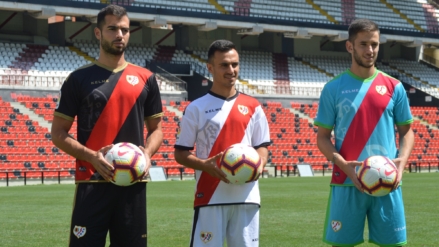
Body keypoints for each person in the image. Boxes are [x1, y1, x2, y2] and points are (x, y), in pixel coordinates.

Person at [51, 4, 163, 246]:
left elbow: (156, 130)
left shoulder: (147, 78)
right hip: (91, 182)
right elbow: (58, 133)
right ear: (98, 33)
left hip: (133, 182)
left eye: (124, 29)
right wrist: (91, 156)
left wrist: (147, 153)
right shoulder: (77, 79)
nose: (119, 35)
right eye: (112, 29)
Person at [314, 19, 414, 247]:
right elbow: (322, 138)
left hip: (387, 182)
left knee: (393, 244)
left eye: (375, 44)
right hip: (346, 181)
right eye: (363, 44)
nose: (370, 50)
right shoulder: (333, 88)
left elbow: (407, 132)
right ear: (350, 46)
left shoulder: (394, 87)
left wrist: (402, 162)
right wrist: (344, 165)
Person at [174, 39, 270, 247]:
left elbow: (262, 146)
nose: (231, 70)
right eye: (224, 65)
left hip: (247, 196)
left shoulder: (254, 106)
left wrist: (260, 163)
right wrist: (205, 165)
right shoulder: (196, 108)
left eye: (235, 64)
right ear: (210, 68)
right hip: (209, 196)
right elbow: (180, 153)